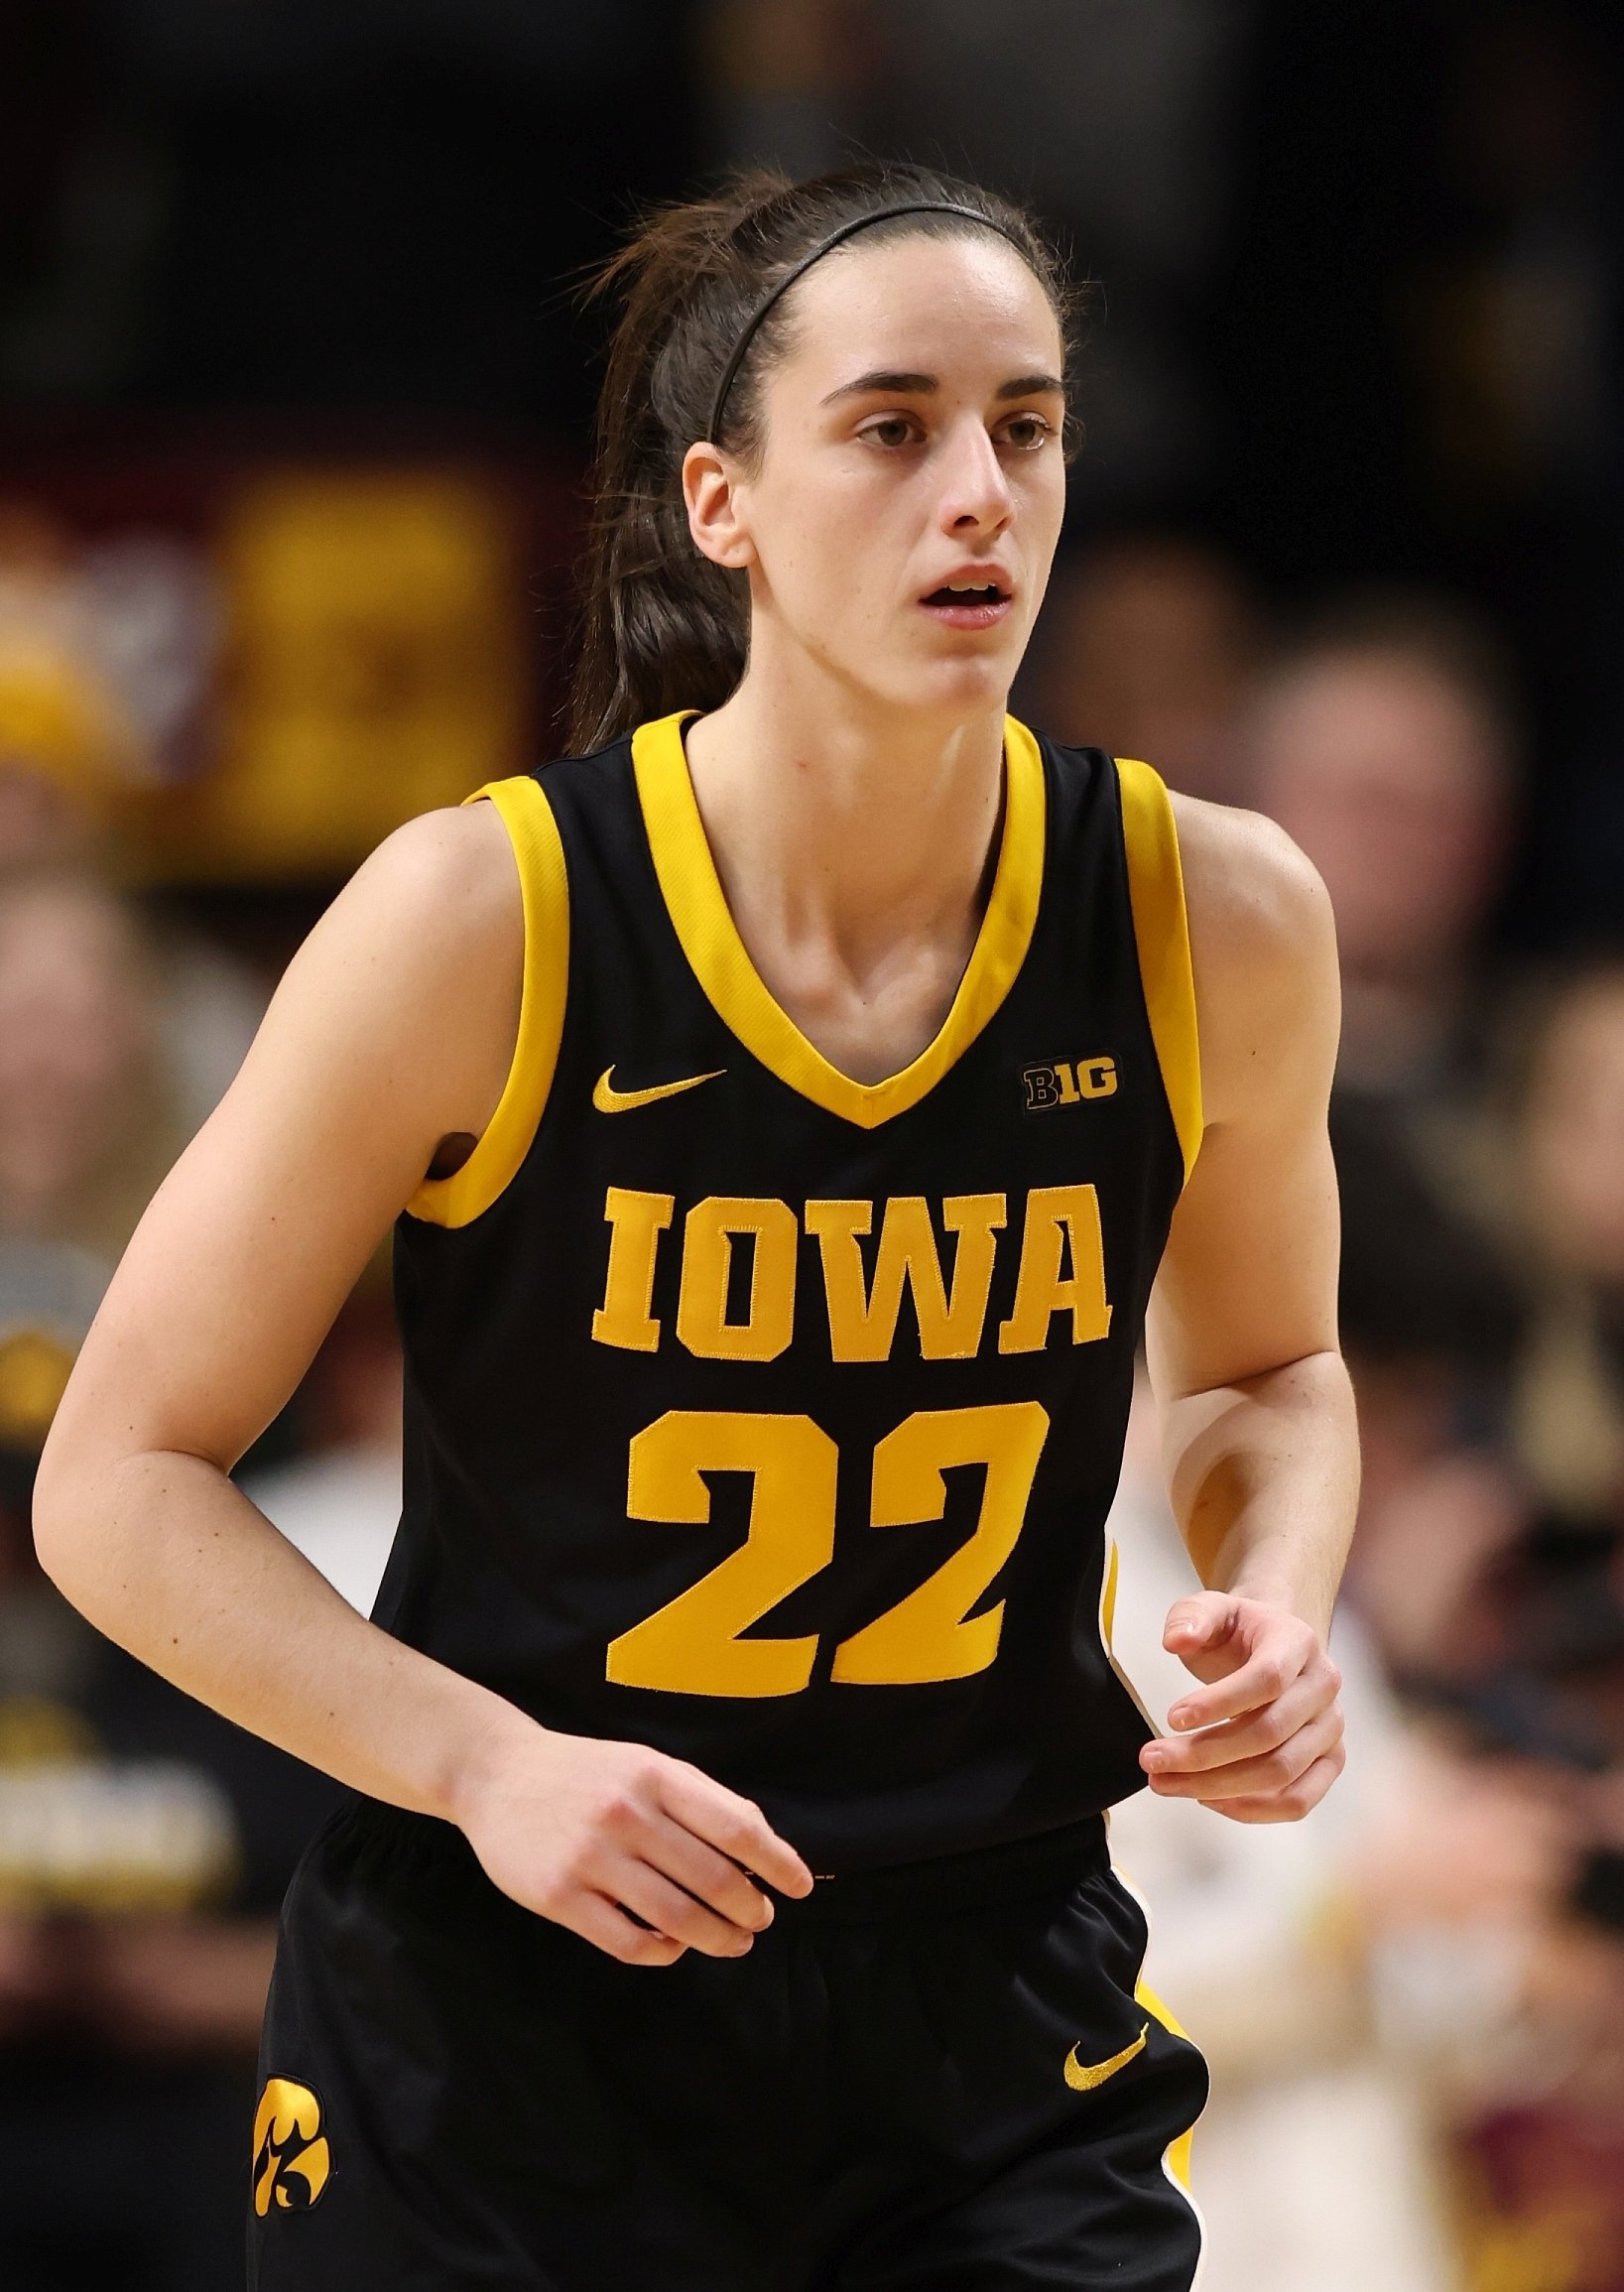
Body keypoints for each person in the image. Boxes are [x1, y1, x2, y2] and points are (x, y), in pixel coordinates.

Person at [32, 161, 1353, 2291]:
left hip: (986, 2007)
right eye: (895, 426)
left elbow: (1274, 1373)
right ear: (721, 501)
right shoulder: (489, 915)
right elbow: (117, 1483)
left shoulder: (1219, 909)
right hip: (513, 2008)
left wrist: (1275, 1600)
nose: (981, 495)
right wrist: (483, 1770)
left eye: (1029, 427)